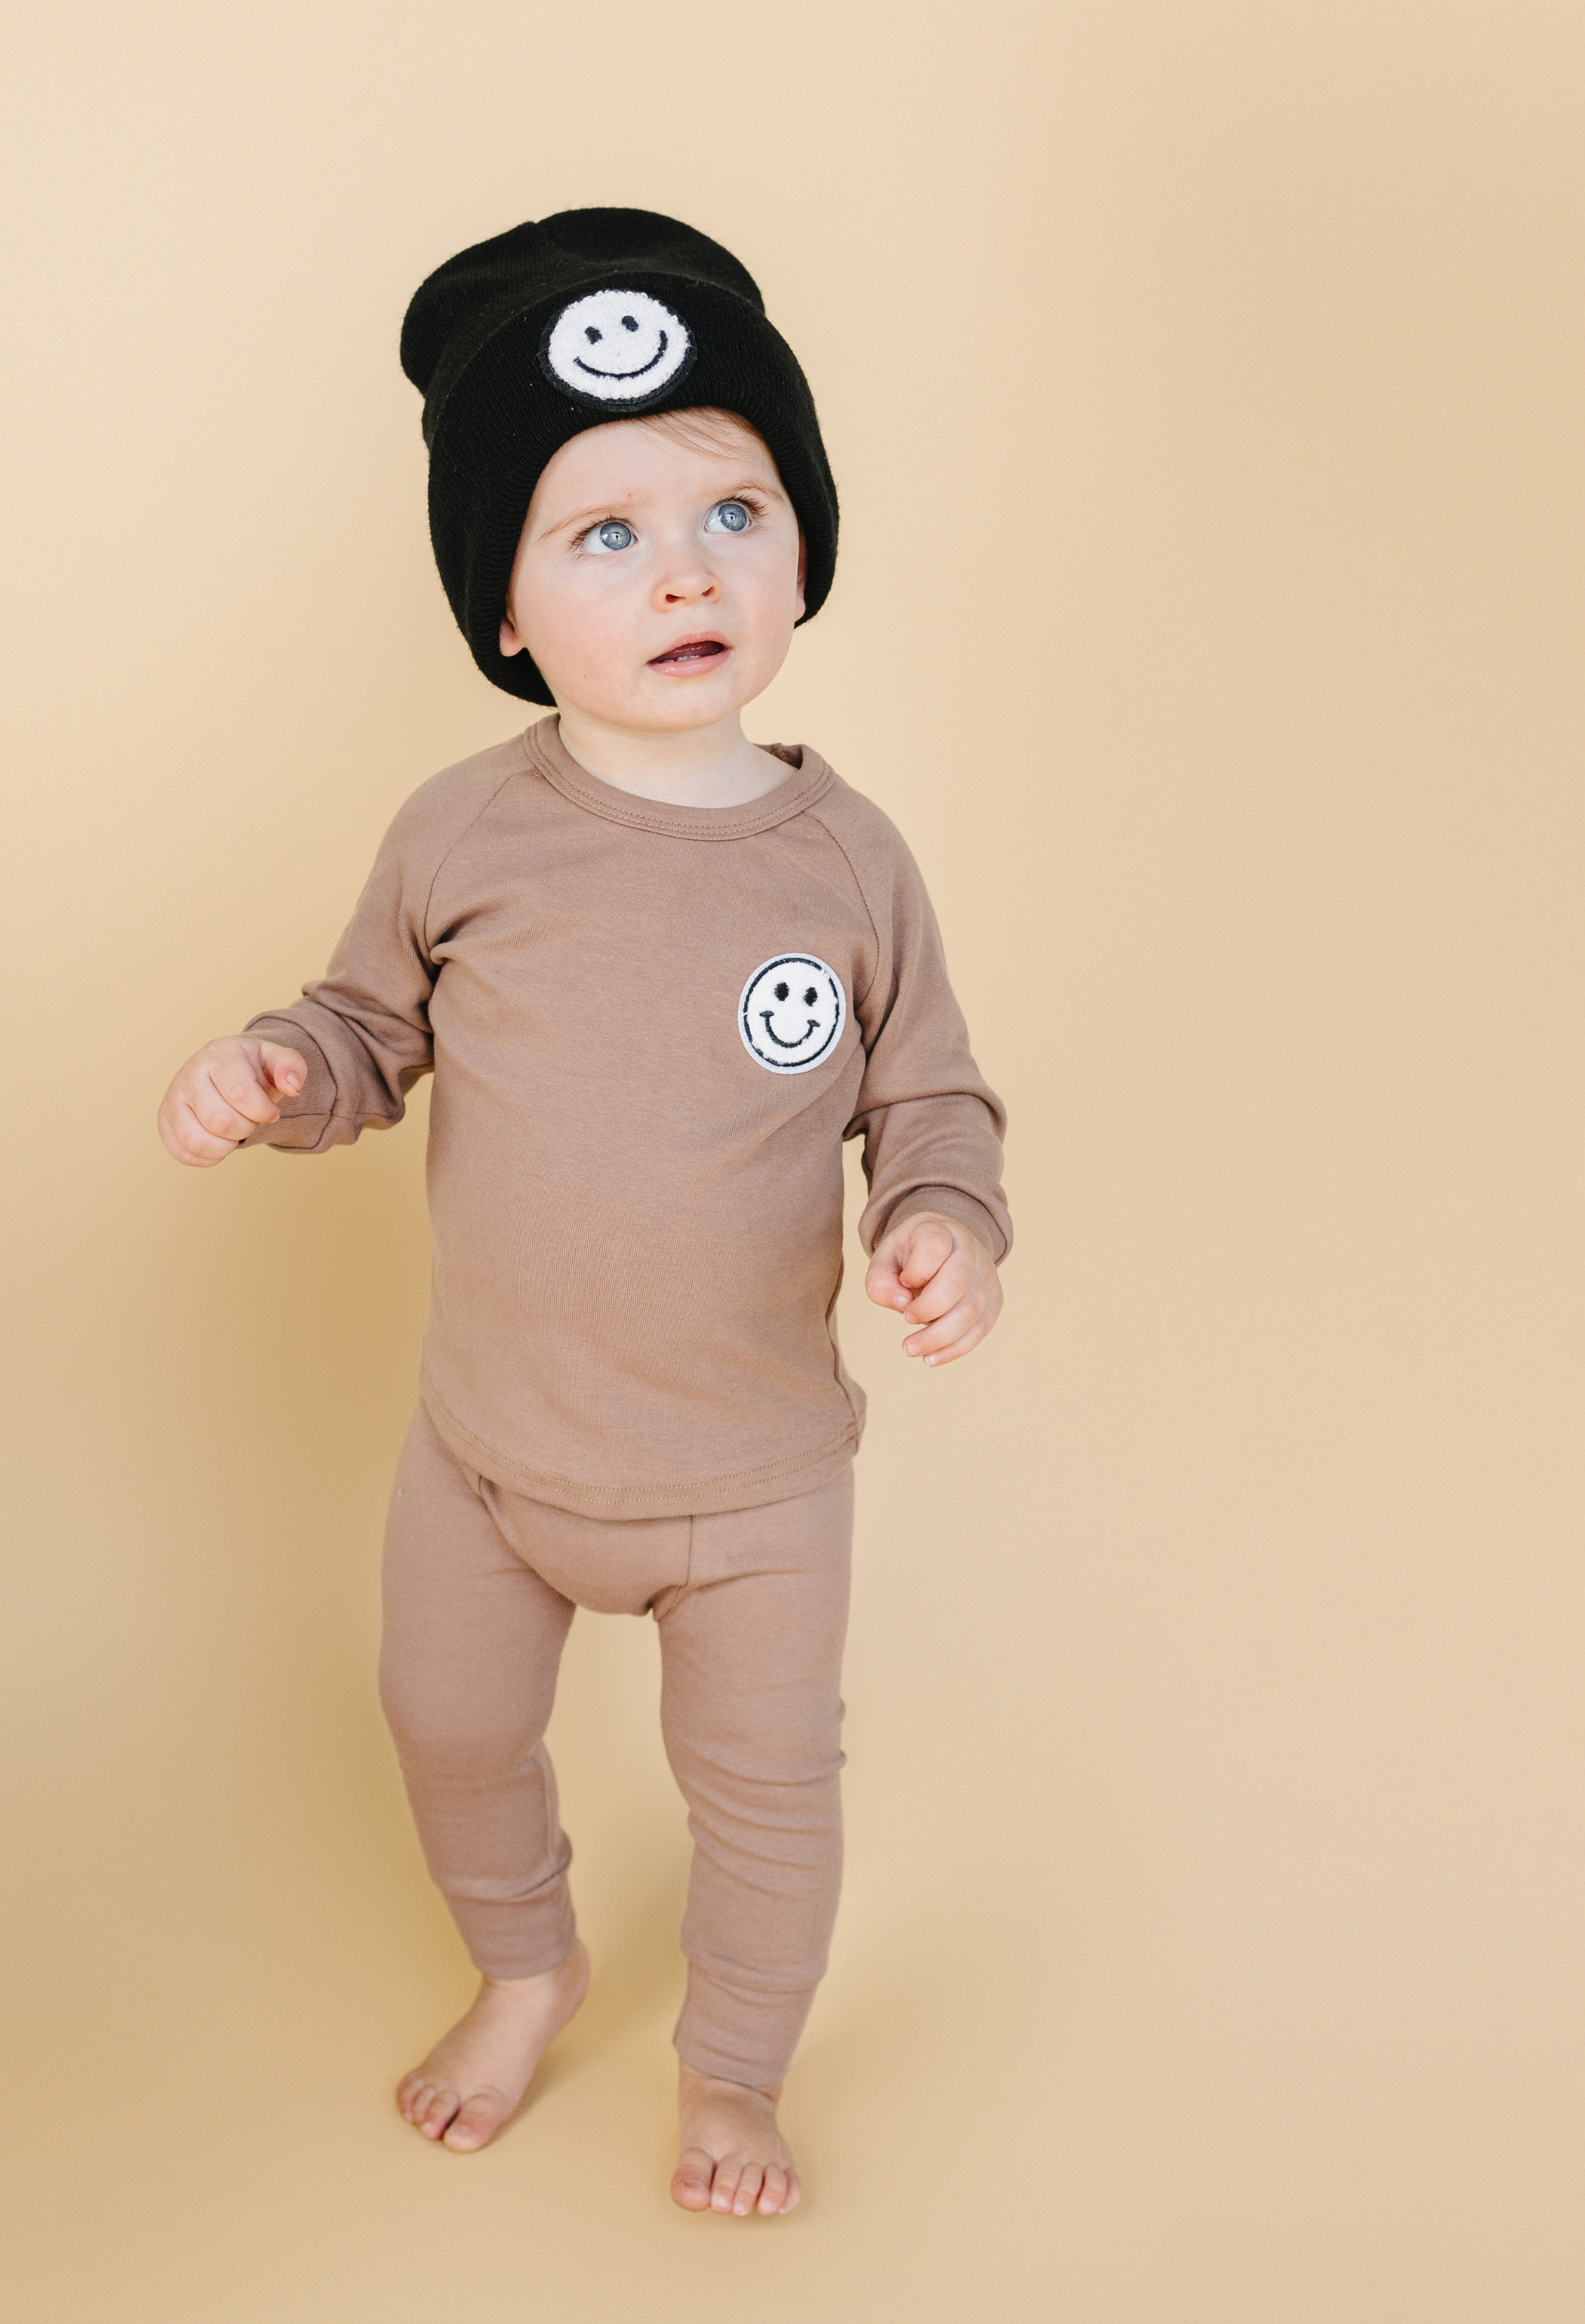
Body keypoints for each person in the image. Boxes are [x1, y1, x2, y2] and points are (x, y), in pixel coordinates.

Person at [156, 209, 1011, 2219]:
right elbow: (369, 1029)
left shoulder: (850, 860)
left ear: (802, 547)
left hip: (753, 1479)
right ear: (511, 612)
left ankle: (733, 2076)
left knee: (768, 1801)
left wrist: (948, 1222)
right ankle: (529, 1963)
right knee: (444, 1724)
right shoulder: (464, 832)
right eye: (602, 533)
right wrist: (282, 1073)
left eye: (733, 508)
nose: (688, 567)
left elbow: (933, 1096)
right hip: (490, 1458)